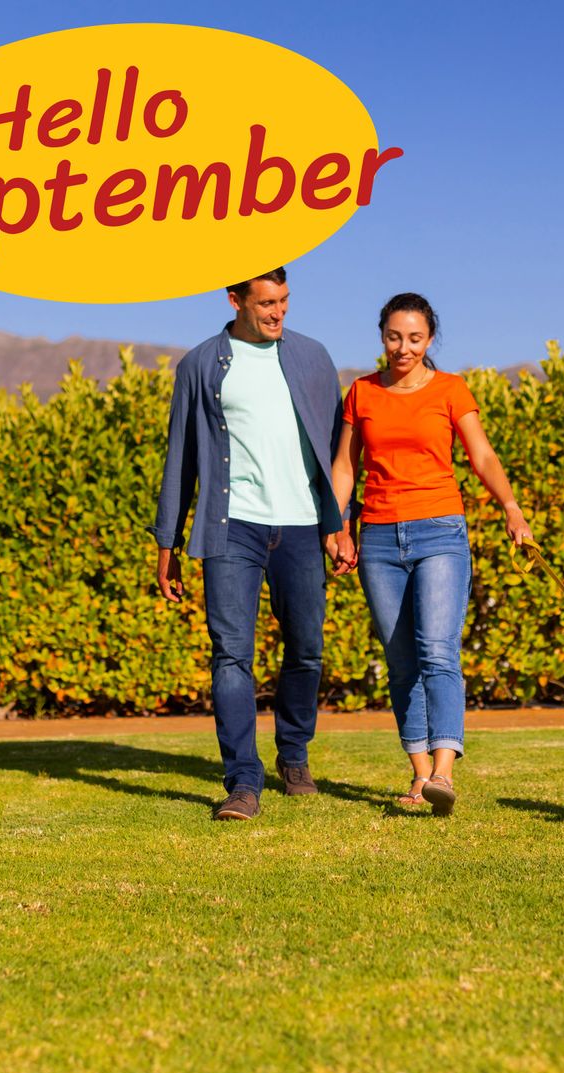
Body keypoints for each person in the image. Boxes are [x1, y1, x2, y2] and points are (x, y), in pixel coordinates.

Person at [151, 268, 354, 821]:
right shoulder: (199, 365)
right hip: (230, 526)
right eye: (266, 303)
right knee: (230, 654)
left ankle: (293, 756)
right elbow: (181, 459)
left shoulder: (313, 357)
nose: (277, 313)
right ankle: (243, 781)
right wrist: (167, 542)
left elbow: (340, 452)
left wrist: (340, 523)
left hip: (302, 526)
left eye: (284, 301)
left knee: (306, 649)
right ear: (235, 299)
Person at [330, 293, 533, 815]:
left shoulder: (450, 389)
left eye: (415, 338)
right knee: (400, 663)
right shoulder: (362, 392)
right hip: (377, 536)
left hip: (440, 530)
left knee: (437, 651)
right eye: (394, 336)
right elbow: (346, 468)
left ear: (429, 339)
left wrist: (510, 507)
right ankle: (420, 776)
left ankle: (444, 771)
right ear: (382, 336)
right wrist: (338, 527)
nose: (404, 347)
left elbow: (481, 454)